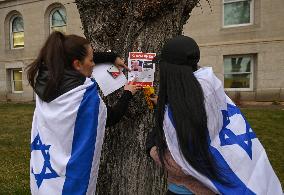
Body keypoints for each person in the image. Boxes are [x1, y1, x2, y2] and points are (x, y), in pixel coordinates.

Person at [146, 35, 283, 195]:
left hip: (192, 189)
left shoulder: (188, 109)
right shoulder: (209, 85)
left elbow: (181, 165)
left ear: (170, 70)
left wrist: (152, 147)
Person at [27, 31, 140, 194]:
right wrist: (128, 93)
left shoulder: (46, 81)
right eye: (91, 60)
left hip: (45, 177)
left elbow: (78, 58)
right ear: (77, 64)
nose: (94, 64)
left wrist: (112, 57)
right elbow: (111, 117)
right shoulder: (83, 96)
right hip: (68, 183)